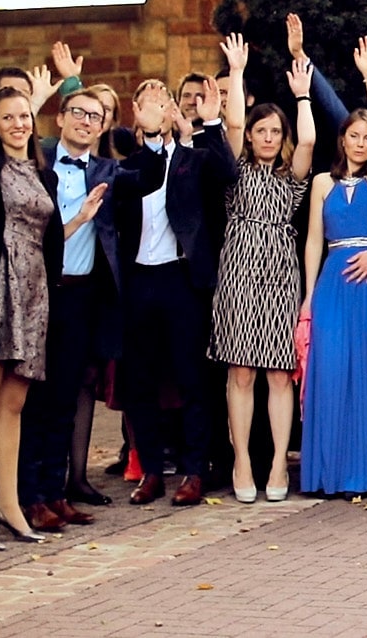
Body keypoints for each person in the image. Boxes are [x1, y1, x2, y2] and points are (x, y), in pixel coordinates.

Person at [113, 78, 238, 507]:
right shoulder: (127, 164)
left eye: (162, 98)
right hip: (138, 281)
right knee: (140, 379)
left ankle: (194, 470)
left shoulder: (192, 158)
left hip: (181, 279)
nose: (156, 104)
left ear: (171, 110)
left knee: (192, 377)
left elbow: (228, 174)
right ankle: (151, 470)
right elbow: (139, 183)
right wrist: (149, 137)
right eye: (146, 99)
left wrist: (212, 124)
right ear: (135, 111)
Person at [300, 37, 367, 497]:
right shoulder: (322, 183)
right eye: (355, 135)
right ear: (342, 138)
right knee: (332, 373)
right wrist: (309, 296)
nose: (363, 143)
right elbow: (313, 241)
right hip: (332, 284)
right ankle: (334, 473)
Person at [207, 36, 315, 504]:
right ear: (251, 136)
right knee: (241, 372)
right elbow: (232, 121)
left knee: (278, 373)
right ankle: (243, 461)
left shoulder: (292, 179)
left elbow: (308, 139)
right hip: (238, 272)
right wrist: (236, 72)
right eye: (261, 130)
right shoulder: (236, 171)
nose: (268, 137)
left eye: (275, 131)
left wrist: (303, 96)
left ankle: (276, 464)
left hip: (280, 275)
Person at [17, 88, 121, 531]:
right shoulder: (37, 164)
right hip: (39, 293)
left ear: (102, 127)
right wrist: (78, 218)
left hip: (81, 296)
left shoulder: (108, 171)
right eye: (78, 112)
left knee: (65, 398)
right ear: (59, 118)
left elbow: (153, 175)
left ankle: (55, 492)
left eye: (95, 116)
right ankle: (28, 497)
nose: (86, 121)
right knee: (34, 400)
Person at [0, 87, 69, 547]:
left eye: (24, 116)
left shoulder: (43, 173)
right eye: (8, 117)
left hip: (34, 291)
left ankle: (10, 506)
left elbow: (53, 238)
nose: (18, 124)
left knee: (13, 406)